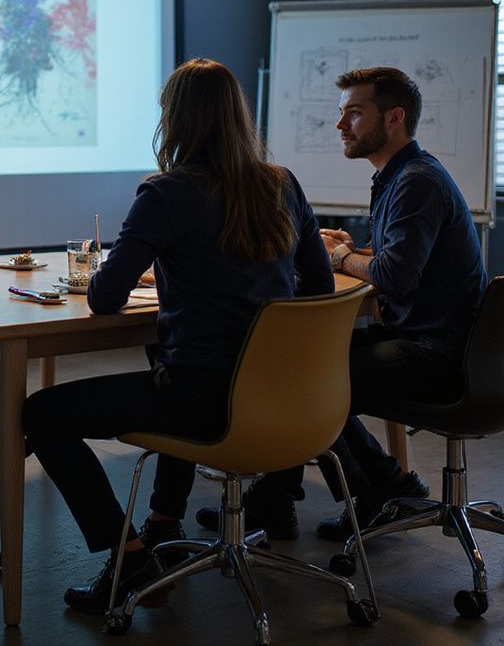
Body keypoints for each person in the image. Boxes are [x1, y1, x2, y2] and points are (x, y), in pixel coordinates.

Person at [22, 58, 333, 614]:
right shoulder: (282, 185)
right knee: (165, 354)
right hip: (290, 400)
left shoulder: (167, 193)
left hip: (202, 401)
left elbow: (104, 298)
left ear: (176, 120)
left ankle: (129, 558)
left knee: (41, 413)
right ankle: (165, 520)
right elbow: (321, 283)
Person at [198, 66, 487, 542]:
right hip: (434, 338)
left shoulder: (415, 181)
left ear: (394, 118)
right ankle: (343, 492)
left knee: (307, 376)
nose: (340, 125)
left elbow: (395, 276)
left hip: (439, 352)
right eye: (341, 114)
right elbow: (405, 260)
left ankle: (371, 489)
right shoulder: (406, 175)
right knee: (305, 365)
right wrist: (360, 252)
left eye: (354, 113)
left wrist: (340, 255)